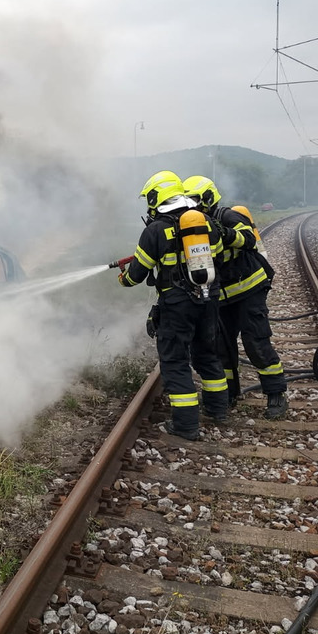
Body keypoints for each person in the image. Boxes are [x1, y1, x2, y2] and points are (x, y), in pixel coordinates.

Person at [117, 170, 229, 440]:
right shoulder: (206, 223)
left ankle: (186, 425)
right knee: (207, 353)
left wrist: (123, 279)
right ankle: (218, 410)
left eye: (149, 199)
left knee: (175, 360)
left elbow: (137, 274)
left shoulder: (155, 230)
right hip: (209, 298)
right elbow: (221, 258)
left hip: (177, 305)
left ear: (157, 197)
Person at [182, 175, 288, 420]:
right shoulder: (194, 226)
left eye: (196, 201)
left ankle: (276, 393)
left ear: (208, 198)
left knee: (255, 342)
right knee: (222, 348)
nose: (192, 207)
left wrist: (226, 234)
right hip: (220, 297)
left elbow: (249, 239)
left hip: (248, 290)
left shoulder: (228, 216)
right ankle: (230, 394)